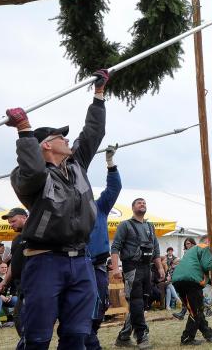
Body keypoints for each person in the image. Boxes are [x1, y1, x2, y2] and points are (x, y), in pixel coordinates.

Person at [6, 69, 109, 350]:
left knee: (78, 335)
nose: (67, 139)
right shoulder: (28, 178)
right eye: (60, 137)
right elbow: (33, 169)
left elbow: (92, 134)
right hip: (45, 262)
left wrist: (98, 95)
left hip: (81, 260)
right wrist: (24, 130)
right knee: (37, 337)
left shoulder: (77, 166)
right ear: (46, 145)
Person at [111, 197, 165, 349]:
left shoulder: (150, 226)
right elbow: (115, 247)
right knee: (136, 301)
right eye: (139, 202)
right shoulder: (125, 225)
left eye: (145, 203)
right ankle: (142, 337)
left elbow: (156, 248)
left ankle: (123, 336)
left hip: (146, 268)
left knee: (143, 303)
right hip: (131, 268)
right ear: (132, 207)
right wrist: (115, 268)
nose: (143, 204)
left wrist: (160, 268)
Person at [85, 144, 122, 350]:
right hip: (76, 265)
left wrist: (110, 164)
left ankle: (90, 336)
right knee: (81, 306)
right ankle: (89, 341)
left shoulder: (100, 207)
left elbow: (114, 188)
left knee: (101, 304)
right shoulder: (69, 209)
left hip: (97, 266)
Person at [171, 236, 212, 345]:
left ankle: (209, 333)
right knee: (196, 311)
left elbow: (195, 268)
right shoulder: (204, 247)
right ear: (208, 241)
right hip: (191, 281)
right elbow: (208, 265)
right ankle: (187, 339)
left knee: (195, 310)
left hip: (177, 280)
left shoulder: (190, 251)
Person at [0, 207, 27, 336]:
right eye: (9, 222)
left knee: (20, 317)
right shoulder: (16, 240)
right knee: (19, 317)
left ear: (24, 218)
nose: (11, 225)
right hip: (20, 285)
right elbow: (13, 264)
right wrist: (4, 281)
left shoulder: (37, 236)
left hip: (35, 284)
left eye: (13, 221)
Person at [172, 238, 197, 321]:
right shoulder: (186, 253)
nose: (188, 245)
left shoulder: (197, 251)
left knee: (196, 297)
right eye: (186, 244)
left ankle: (206, 310)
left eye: (189, 243)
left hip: (195, 276)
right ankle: (183, 313)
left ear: (193, 244)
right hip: (188, 277)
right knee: (186, 296)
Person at [0, 262, 17, 329]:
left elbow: (14, 288)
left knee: (17, 299)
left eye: (5, 267)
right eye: (2, 267)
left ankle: (17, 319)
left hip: (6, 298)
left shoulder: (10, 278)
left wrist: (11, 295)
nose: (4, 269)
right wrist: (0, 296)